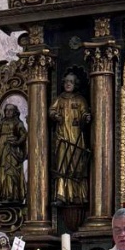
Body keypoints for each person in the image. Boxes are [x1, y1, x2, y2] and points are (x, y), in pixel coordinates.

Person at [49, 73, 90, 204]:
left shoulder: (80, 99)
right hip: (62, 136)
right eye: (66, 81)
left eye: (71, 82)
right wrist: (55, 116)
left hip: (76, 136)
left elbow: (84, 113)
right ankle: (61, 195)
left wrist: (86, 117)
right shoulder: (59, 99)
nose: (68, 84)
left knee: (77, 164)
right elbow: (51, 111)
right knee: (62, 164)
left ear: (75, 84)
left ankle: (79, 195)